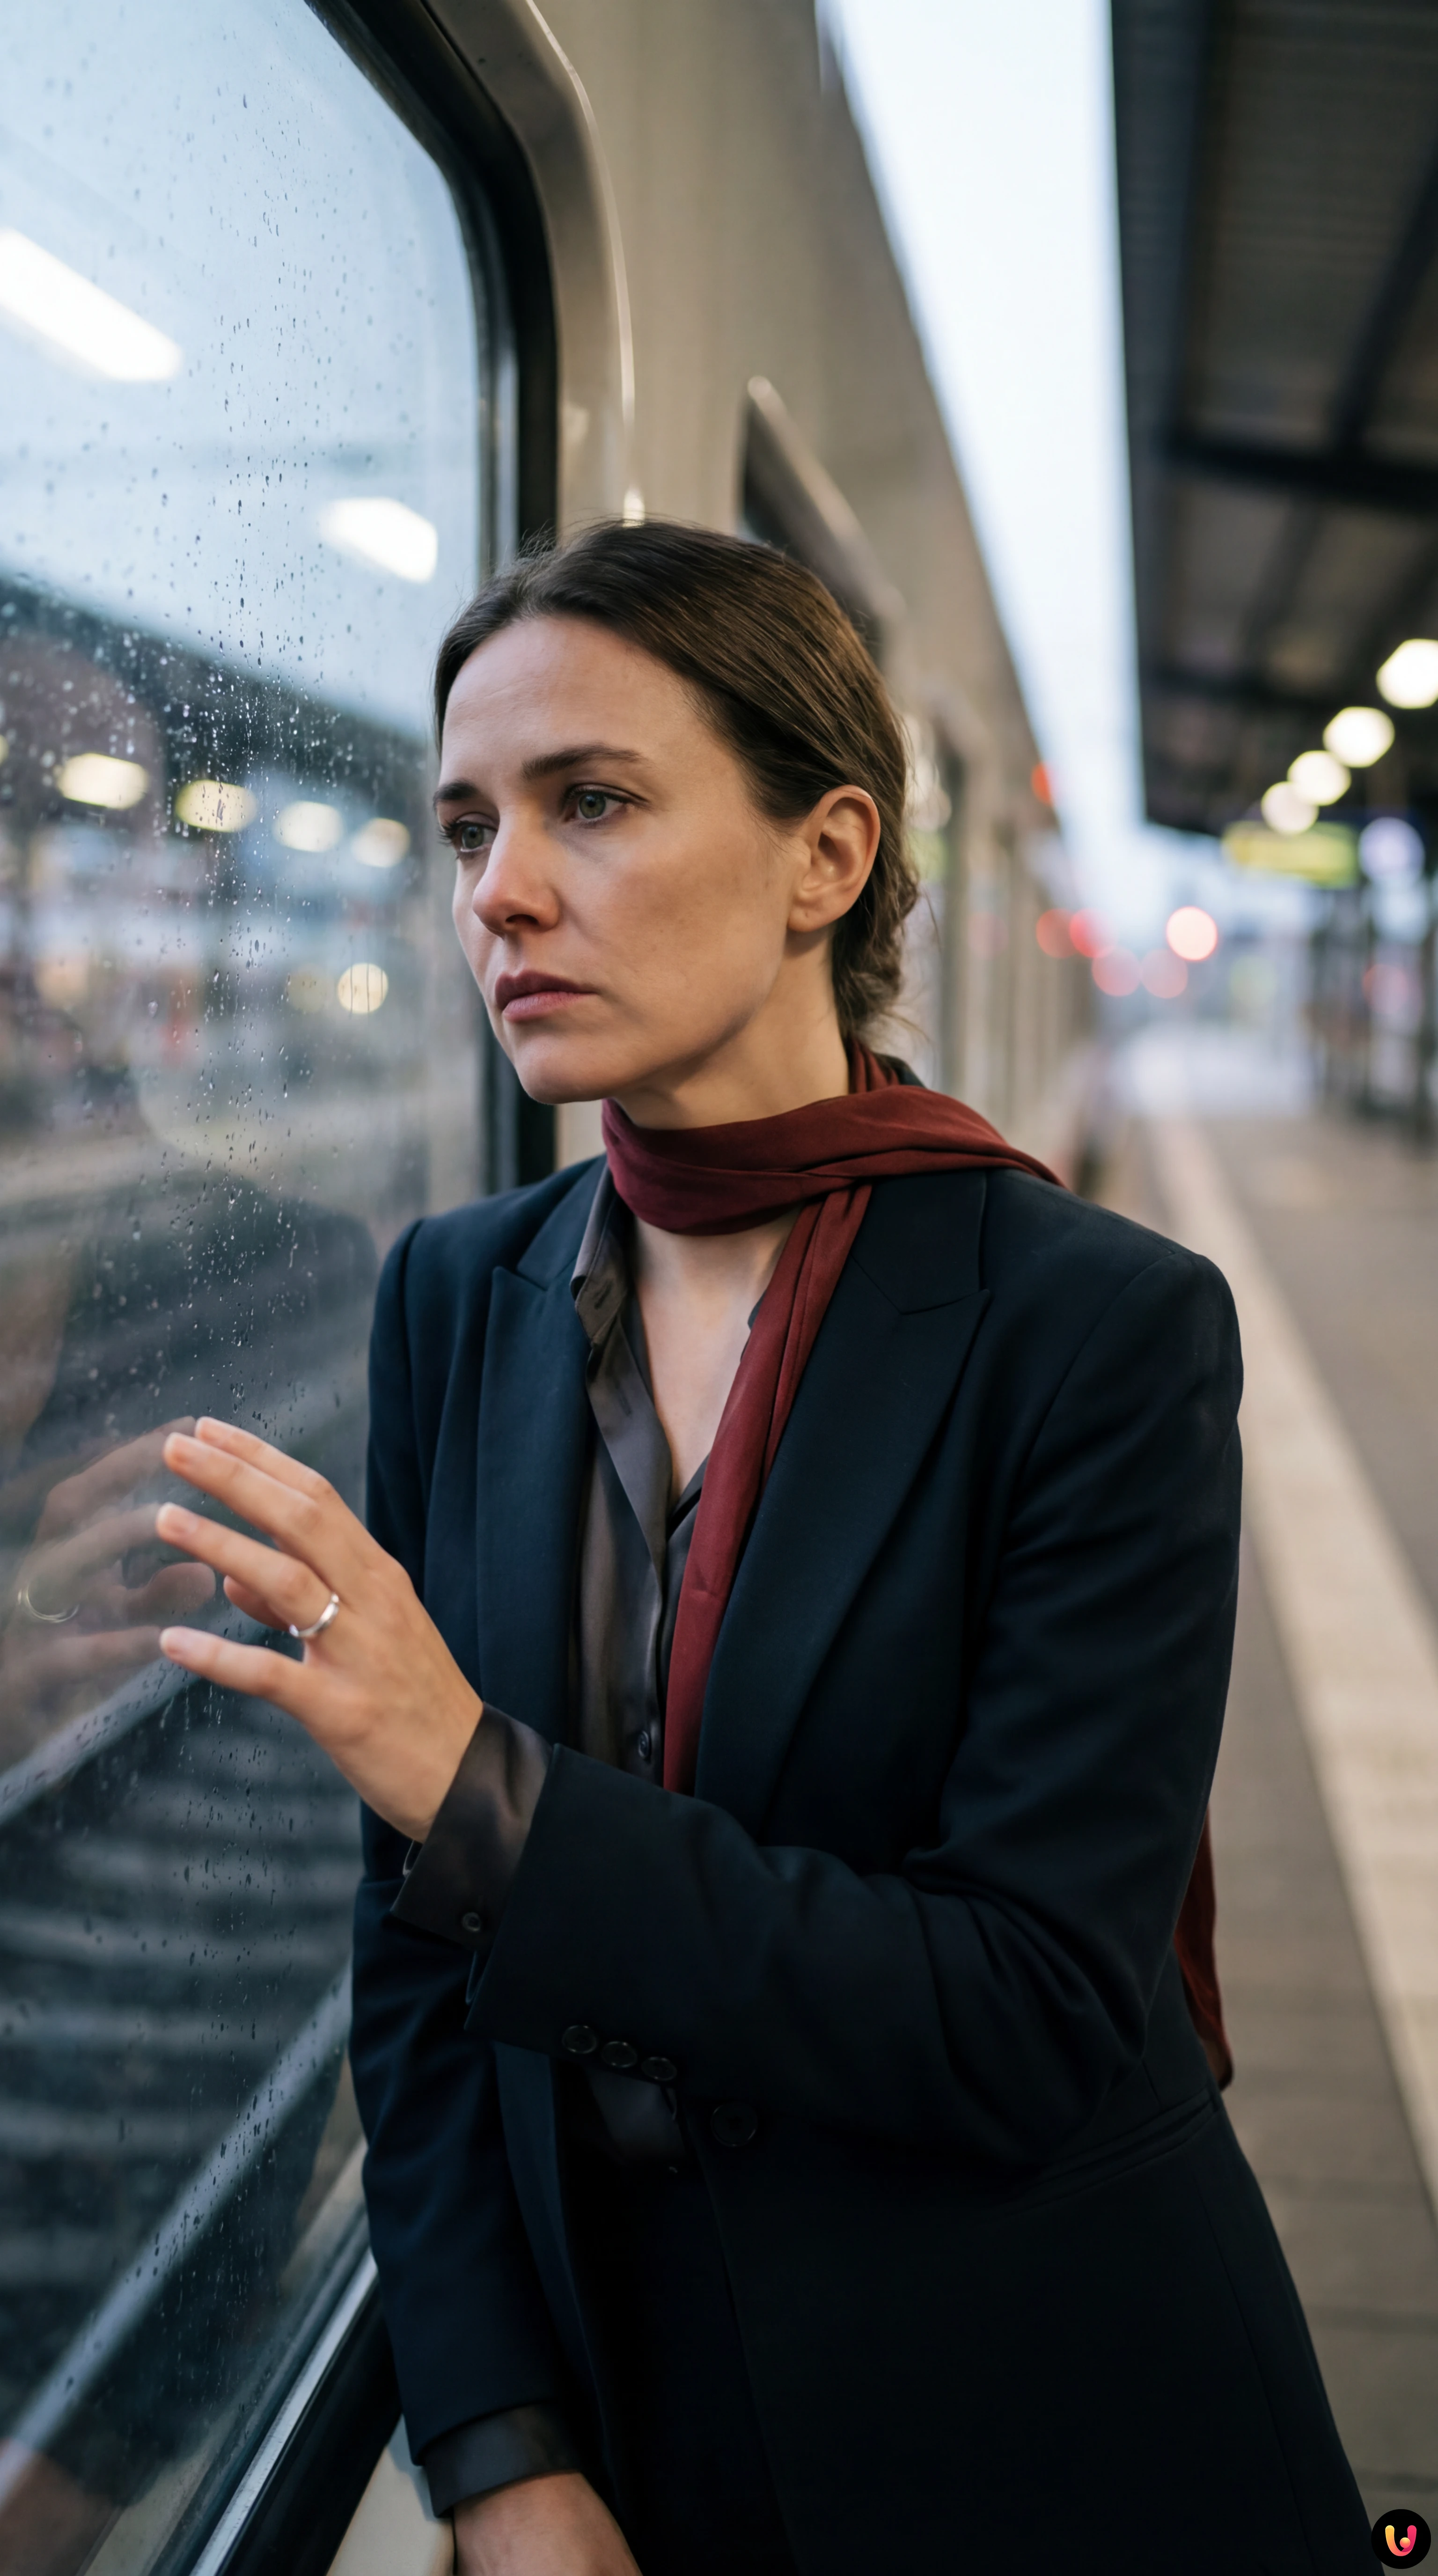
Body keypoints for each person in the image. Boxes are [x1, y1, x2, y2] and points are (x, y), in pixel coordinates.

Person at [154, 522, 1370, 2574]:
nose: (500, 891)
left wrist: (485, 1786)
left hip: (1038, 2422)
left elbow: (1024, 2004)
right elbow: (414, 1970)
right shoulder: (461, 1291)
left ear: (829, 857)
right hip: (631, 2406)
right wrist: (502, 2443)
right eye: (466, 828)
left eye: (594, 802)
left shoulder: (1095, 1326)